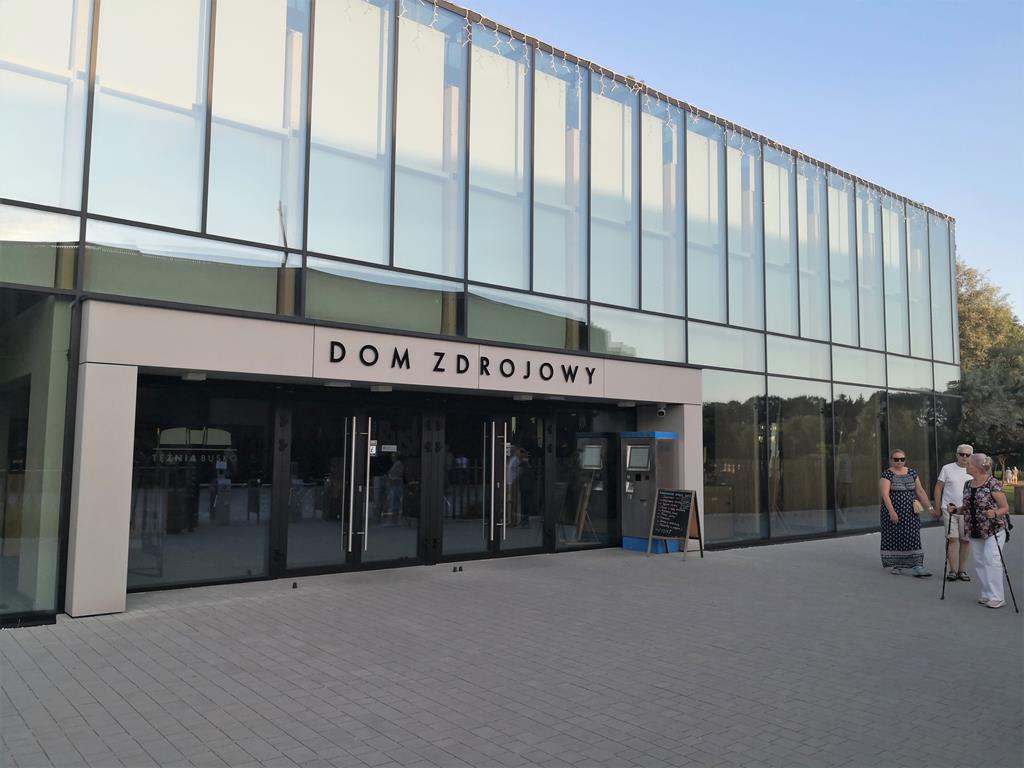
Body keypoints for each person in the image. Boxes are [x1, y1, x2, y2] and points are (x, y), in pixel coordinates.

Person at [961, 453, 1011, 608]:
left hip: (993, 529)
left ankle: (997, 597)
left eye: (969, 463)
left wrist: (995, 513)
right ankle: (987, 593)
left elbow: (1004, 508)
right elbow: (968, 506)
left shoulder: (992, 483)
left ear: (977, 467)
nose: (966, 465)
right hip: (974, 529)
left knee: (991, 559)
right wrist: (956, 510)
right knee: (980, 562)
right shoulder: (967, 484)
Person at [879, 448, 935, 576]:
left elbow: (920, 491)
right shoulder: (887, 475)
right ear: (891, 460)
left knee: (913, 535)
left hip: (910, 511)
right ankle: (897, 564)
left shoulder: (912, 473)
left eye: (902, 459)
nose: (899, 461)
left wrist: (930, 508)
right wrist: (892, 512)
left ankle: (917, 565)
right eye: (896, 459)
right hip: (893, 510)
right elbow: (885, 494)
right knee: (895, 536)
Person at [934, 444, 973, 582]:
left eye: (967, 455)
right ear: (957, 455)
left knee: (965, 540)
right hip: (949, 509)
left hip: (967, 510)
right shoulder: (947, 468)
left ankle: (962, 570)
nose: (964, 457)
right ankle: (952, 570)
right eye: (961, 454)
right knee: (952, 538)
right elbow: (938, 488)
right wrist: (938, 507)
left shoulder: (973, 470)